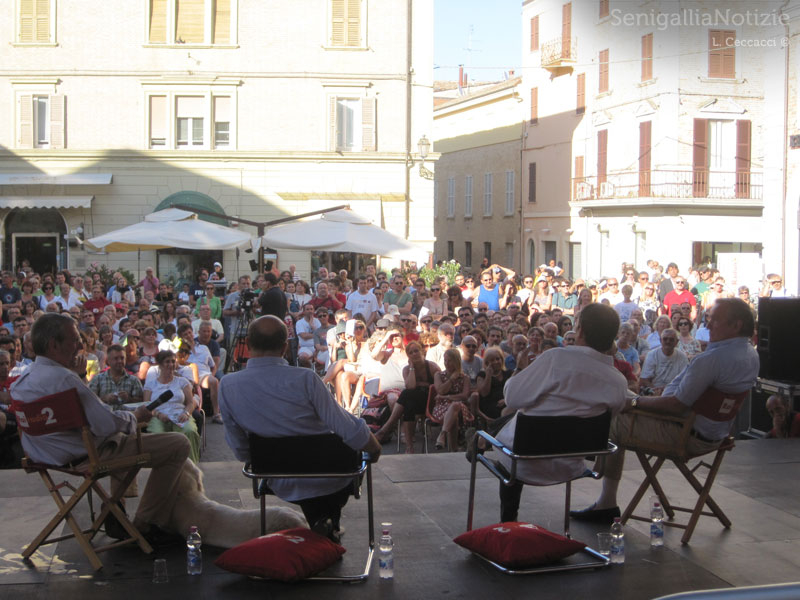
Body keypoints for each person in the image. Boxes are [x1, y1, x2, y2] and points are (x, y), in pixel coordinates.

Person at [573, 298, 760, 522]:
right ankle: (600, 475)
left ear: (736, 325)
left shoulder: (712, 360)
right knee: (620, 396)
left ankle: (605, 500)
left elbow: (676, 406)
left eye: (715, 320)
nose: (708, 325)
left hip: (682, 434)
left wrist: (635, 403)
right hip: (715, 435)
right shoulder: (751, 355)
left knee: (613, 419)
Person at [10, 313, 190, 542]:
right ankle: (147, 522)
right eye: (75, 340)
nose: (80, 346)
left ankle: (117, 512)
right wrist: (135, 416)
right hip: (86, 456)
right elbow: (106, 423)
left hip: (45, 455)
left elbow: (93, 418)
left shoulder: (21, 381)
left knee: (120, 439)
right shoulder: (65, 380)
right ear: (54, 345)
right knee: (177, 444)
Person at [219, 315, 381, 541]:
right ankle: (326, 524)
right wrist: (373, 447)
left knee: (315, 471)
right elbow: (346, 426)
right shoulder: (306, 379)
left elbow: (240, 449)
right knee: (349, 457)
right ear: (285, 347)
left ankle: (323, 524)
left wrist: (260, 456)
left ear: (249, 344)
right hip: (331, 473)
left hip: (276, 473)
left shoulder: (228, 385)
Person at [490, 303, 628, 522]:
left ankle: (508, 521)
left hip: (522, 460)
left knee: (512, 423)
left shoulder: (555, 359)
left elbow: (513, 397)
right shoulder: (618, 382)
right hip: (572, 464)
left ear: (580, 330)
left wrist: (522, 370)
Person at [143, 350, 201, 463]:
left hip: (180, 414)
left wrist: (186, 413)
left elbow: (190, 402)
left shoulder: (182, 381)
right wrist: (158, 414)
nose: (171, 365)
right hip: (158, 416)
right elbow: (146, 406)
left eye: (173, 361)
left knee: (190, 431)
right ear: (160, 364)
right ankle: (162, 467)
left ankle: (191, 465)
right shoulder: (150, 385)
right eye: (167, 362)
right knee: (157, 434)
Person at [640, 328, 687, 395]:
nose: (668, 341)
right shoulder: (652, 355)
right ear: (660, 340)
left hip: (674, 392)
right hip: (654, 390)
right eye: (665, 339)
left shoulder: (682, 357)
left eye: (671, 339)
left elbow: (685, 379)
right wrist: (655, 390)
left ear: (677, 342)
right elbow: (644, 379)